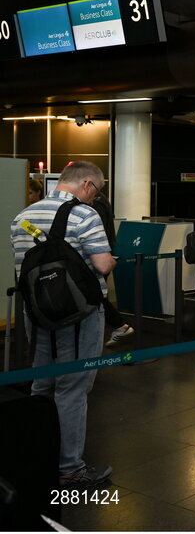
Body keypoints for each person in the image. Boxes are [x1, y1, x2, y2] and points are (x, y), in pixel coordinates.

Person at [10, 161, 114, 488]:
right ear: (86, 184)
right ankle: (69, 468)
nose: (96, 198)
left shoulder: (22, 217)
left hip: (36, 312)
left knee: (42, 382)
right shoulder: (85, 215)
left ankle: (37, 456)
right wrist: (110, 259)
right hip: (79, 315)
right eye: (96, 191)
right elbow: (101, 264)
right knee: (73, 387)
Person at [90, 189, 135, 347]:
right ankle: (119, 326)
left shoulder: (96, 203)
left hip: (100, 256)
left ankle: (119, 326)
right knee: (97, 295)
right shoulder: (100, 201)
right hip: (104, 254)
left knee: (95, 294)